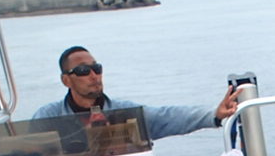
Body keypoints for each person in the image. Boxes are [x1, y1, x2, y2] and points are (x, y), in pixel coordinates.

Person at [30, 46, 238, 141]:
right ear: (66, 80)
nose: (94, 75)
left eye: (97, 68)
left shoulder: (125, 112)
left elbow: (168, 116)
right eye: (83, 71)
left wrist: (214, 114)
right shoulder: (48, 116)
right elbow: (28, 152)